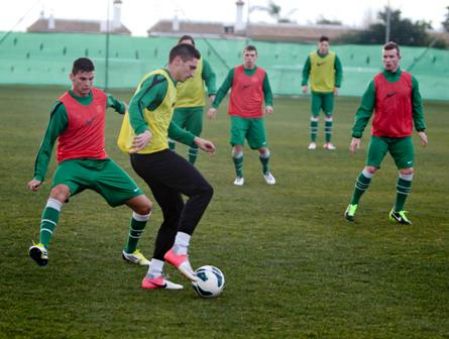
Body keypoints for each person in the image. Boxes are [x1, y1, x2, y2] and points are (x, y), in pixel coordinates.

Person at [27, 57, 153, 267]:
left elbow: (119, 105)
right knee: (58, 193)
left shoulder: (100, 97)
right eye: (82, 79)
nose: (87, 84)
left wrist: (129, 109)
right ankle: (42, 246)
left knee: (145, 207)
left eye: (91, 79)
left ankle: (130, 252)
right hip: (72, 165)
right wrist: (39, 175)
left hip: (101, 164)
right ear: (72, 77)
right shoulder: (62, 107)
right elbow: (47, 142)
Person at [117, 44, 215, 290]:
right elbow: (137, 103)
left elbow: (167, 126)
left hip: (149, 156)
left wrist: (195, 140)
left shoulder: (171, 86)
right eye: (191, 67)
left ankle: (154, 274)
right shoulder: (160, 80)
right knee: (203, 190)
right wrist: (143, 130)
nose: (193, 74)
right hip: (152, 155)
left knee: (174, 213)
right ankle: (179, 250)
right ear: (178, 61)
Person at [344, 41, 428, 224]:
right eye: (385, 57)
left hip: (403, 137)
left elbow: (417, 106)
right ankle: (353, 204)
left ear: (399, 58)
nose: (388, 60)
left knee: (407, 171)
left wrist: (421, 129)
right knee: (370, 168)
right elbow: (364, 109)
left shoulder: (410, 80)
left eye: (391, 56)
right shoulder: (376, 81)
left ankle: (397, 211)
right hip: (380, 136)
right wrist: (356, 134)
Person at [207, 45, 275, 186]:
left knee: (263, 149)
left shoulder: (262, 73)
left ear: (256, 57)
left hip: (256, 116)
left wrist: (269, 104)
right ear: (242, 56)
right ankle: (239, 176)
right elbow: (223, 89)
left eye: (252, 55)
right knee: (237, 146)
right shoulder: (234, 72)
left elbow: (268, 91)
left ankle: (266, 171)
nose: (249, 58)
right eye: (247, 55)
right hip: (238, 115)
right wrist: (214, 107)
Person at [168, 35, 217, 165]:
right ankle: (170, 165)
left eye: (190, 46)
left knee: (195, 138)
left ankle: (191, 167)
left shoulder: (201, 62)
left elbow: (210, 77)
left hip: (196, 107)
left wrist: (212, 92)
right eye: (184, 46)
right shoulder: (175, 63)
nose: (187, 49)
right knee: (170, 135)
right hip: (176, 106)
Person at [301, 35, 343, 150]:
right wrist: (304, 83)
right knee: (315, 116)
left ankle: (328, 143)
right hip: (316, 91)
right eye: (322, 45)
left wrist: (337, 85)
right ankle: (313, 142)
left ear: (328, 46)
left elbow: (339, 71)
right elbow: (305, 71)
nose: (324, 47)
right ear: (318, 45)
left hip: (329, 91)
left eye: (326, 45)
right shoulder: (311, 57)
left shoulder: (333, 57)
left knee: (329, 116)